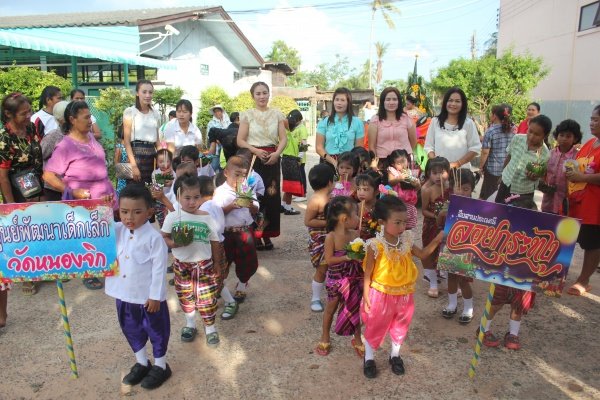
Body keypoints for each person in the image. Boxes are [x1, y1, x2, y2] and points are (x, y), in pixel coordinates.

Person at [361, 195, 443, 379]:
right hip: (381, 293)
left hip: (405, 293)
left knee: (401, 324)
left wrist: (438, 239)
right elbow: (367, 273)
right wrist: (366, 297)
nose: (402, 227)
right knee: (375, 325)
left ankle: (395, 355)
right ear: (382, 222)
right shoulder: (375, 246)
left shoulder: (406, 240)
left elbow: (422, 254)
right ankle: (369, 357)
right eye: (397, 222)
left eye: (404, 222)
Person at [104, 184, 171, 389]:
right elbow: (99, 227)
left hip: (147, 299)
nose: (129, 217)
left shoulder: (154, 239)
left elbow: (159, 270)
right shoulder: (117, 230)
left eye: (137, 211)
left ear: (149, 212)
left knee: (157, 331)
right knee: (130, 329)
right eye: (124, 212)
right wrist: (105, 209)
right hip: (124, 295)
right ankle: (142, 362)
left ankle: (161, 365)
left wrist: (155, 296)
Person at [43, 101, 115, 290]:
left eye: (90, 116)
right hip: (83, 201)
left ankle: (105, 267)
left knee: (104, 236)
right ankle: (88, 273)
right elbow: (48, 175)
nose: (90, 121)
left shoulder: (91, 137)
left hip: (104, 197)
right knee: (87, 238)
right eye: (86, 117)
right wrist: (71, 191)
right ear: (72, 120)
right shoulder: (65, 145)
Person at [161, 174, 222, 345]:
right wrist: (173, 243)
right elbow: (164, 236)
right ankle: (190, 324)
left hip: (204, 265)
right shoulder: (173, 216)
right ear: (178, 197)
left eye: (196, 197)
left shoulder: (206, 216)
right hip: (182, 266)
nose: (192, 202)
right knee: (185, 296)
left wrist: (217, 263)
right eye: (187, 198)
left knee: (207, 298)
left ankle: (210, 327)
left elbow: (215, 241)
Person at [478, 196, 539, 350]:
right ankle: (483, 329)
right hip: (502, 276)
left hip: (524, 278)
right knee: (495, 304)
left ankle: (513, 333)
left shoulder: (539, 237)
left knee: (518, 306)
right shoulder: (502, 232)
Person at [0, 93, 44, 295]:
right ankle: (28, 275)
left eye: (29, 111)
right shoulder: (4, 137)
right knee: (24, 232)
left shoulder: (31, 128)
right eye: (23, 113)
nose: (29, 116)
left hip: (36, 184)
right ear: (9, 114)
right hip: (17, 189)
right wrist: (11, 206)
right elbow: (2, 175)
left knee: (39, 229)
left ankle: (43, 267)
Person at [236, 82, 287, 250]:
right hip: (253, 159)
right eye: (258, 93)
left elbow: (283, 139)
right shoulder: (246, 115)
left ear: (269, 94)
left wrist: (277, 154)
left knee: (272, 196)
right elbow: (240, 140)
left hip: (272, 157)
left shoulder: (277, 114)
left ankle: (268, 235)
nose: (262, 96)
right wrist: (255, 151)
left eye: (265, 93)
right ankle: (256, 235)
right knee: (254, 195)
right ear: (253, 96)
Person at [314, 196, 364, 358]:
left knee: (355, 309)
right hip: (336, 280)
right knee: (331, 308)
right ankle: (325, 336)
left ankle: (357, 338)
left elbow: (361, 254)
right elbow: (329, 260)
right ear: (344, 219)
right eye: (356, 214)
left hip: (354, 278)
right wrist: (346, 258)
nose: (358, 217)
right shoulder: (331, 237)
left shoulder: (355, 233)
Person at [212, 156, 260, 303]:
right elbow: (216, 213)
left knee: (248, 261)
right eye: (236, 175)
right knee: (223, 262)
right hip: (226, 233)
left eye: (243, 175)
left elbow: (255, 210)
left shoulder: (246, 189)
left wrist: (250, 204)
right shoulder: (220, 191)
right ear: (226, 173)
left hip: (245, 231)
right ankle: (220, 287)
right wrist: (231, 206)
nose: (240, 179)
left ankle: (242, 284)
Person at [565, 104, 600, 296]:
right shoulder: (589, 143)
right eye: (592, 119)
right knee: (573, 237)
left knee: (592, 243)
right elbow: (577, 164)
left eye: (596, 120)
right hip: (578, 201)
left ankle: (584, 280)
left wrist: (583, 178)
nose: (592, 123)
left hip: (595, 205)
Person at [197, 176, 239, 320]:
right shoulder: (214, 205)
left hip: (211, 247)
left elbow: (208, 232)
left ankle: (230, 302)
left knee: (214, 277)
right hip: (219, 244)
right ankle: (214, 297)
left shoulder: (202, 209)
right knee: (215, 276)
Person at [441, 168, 479, 324]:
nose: (462, 192)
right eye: (458, 187)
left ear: (471, 189)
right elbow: (440, 223)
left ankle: (469, 307)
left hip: (467, 249)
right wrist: (443, 214)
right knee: (451, 277)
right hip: (450, 246)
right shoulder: (447, 203)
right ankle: (452, 304)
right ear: (451, 186)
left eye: (466, 189)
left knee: (463, 280)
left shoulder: (476, 206)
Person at [494, 115, 551, 204]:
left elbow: (540, 175)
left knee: (516, 216)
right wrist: (502, 175)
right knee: (498, 211)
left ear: (545, 135)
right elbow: (509, 157)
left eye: (537, 134)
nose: (531, 137)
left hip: (523, 192)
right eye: (530, 131)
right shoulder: (518, 138)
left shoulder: (545, 154)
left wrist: (534, 177)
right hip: (506, 183)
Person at [424, 87, 481, 169]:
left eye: (457, 101)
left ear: (463, 104)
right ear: (445, 102)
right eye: (450, 100)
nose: (453, 104)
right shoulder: (435, 121)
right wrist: (437, 164)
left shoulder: (468, 123)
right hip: (439, 172)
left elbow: (475, 148)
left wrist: (457, 164)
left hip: (462, 173)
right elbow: (428, 146)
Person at [305, 164, 336, 312]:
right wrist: (329, 222)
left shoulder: (334, 196)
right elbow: (308, 221)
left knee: (335, 266)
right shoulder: (316, 200)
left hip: (334, 238)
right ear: (330, 182)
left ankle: (334, 292)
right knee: (322, 269)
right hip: (320, 240)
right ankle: (315, 298)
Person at [420, 157, 451, 298]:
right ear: (428, 174)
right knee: (431, 253)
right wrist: (437, 216)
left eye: (442, 172)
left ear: (448, 172)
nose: (438, 176)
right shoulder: (427, 190)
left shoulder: (452, 187)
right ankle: (433, 283)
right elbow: (424, 210)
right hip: (432, 227)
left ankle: (452, 283)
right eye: (434, 173)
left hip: (449, 226)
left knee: (449, 253)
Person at [123, 79, 160, 184]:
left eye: (150, 92)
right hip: (135, 155)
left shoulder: (155, 114)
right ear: (137, 93)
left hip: (152, 157)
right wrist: (133, 166)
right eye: (144, 92)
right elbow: (126, 141)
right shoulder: (130, 112)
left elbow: (157, 141)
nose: (148, 95)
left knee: (151, 193)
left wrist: (163, 159)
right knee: (134, 193)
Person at [541, 119, 581, 214]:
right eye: (561, 135)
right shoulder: (550, 154)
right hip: (548, 200)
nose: (564, 138)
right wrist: (542, 182)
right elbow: (543, 172)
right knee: (546, 223)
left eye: (568, 136)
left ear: (575, 139)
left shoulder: (578, 156)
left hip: (567, 201)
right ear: (556, 136)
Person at [316, 88, 364, 168]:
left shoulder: (357, 122)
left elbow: (358, 149)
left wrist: (346, 165)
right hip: (327, 164)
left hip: (349, 165)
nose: (339, 103)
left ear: (348, 103)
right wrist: (334, 162)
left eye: (342, 100)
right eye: (337, 100)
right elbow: (319, 147)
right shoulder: (324, 122)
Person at [368, 87, 417, 159]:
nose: (391, 102)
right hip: (382, 162)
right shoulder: (375, 120)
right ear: (383, 102)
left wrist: (404, 156)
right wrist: (375, 163)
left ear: (399, 102)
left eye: (394, 99)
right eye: (388, 99)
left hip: (404, 162)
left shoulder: (407, 118)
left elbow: (413, 141)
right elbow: (371, 146)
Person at [479, 105, 514, 200]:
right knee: (502, 198)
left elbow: (485, 152)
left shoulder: (491, 131)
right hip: (508, 170)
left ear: (494, 116)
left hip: (493, 170)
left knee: (487, 197)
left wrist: (481, 167)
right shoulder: (513, 129)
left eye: (491, 113)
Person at [40, 100, 69, 201]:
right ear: (60, 120)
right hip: (54, 188)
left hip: (73, 187)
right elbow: (40, 156)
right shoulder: (53, 136)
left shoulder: (81, 135)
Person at [386, 149, 420, 229]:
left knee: (409, 222)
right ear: (393, 164)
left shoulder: (411, 171)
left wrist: (417, 184)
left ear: (407, 161)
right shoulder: (392, 171)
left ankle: (408, 233)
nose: (402, 165)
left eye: (404, 161)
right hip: (398, 201)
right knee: (398, 220)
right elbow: (390, 182)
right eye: (398, 163)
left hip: (410, 201)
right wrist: (399, 178)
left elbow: (417, 188)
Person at [280, 111, 304, 215]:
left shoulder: (290, 133)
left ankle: (284, 206)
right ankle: (288, 208)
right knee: (290, 185)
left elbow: (302, 147)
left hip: (289, 159)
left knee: (288, 185)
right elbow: (284, 121)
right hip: (290, 160)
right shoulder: (287, 132)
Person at [151, 149, 175, 228]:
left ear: (171, 161)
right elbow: (155, 186)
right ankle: (164, 231)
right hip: (160, 201)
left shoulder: (174, 173)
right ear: (157, 162)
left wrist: (172, 183)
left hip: (171, 201)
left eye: (166, 161)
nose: (163, 164)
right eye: (161, 162)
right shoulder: (155, 173)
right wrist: (162, 179)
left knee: (171, 219)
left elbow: (176, 184)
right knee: (162, 220)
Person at [355, 173, 380, 240]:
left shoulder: (381, 207)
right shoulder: (355, 207)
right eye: (358, 189)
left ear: (377, 191)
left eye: (365, 189)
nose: (361, 193)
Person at [206, 104, 231, 173]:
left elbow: (230, 133)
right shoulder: (211, 123)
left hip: (226, 148)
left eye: (218, 111)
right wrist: (217, 140)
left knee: (224, 167)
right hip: (216, 148)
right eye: (215, 112)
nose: (217, 113)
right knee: (214, 166)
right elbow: (209, 135)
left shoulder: (227, 122)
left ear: (222, 111)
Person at [114, 126, 129, 195]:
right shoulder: (119, 147)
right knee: (123, 192)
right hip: (123, 174)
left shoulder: (131, 146)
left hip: (128, 173)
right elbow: (116, 162)